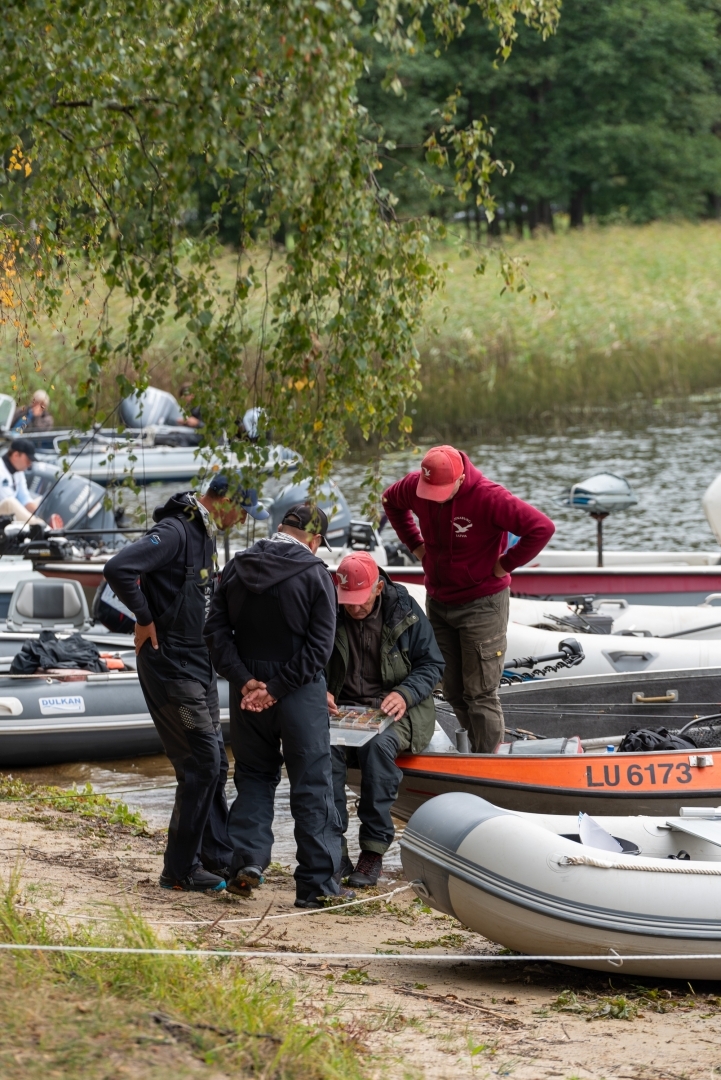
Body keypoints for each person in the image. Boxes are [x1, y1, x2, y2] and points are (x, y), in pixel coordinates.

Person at [103, 476, 268, 892]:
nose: (243, 520)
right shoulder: (176, 531)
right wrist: (144, 618)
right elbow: (119, 569)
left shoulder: (206, 533)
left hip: (199, 663)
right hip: (170, 665)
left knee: (216, 761)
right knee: (201, 762)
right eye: (243, 511)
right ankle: (178, 871)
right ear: (225, 502)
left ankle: (218, 857)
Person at [204, 503, 349, 909]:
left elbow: (214, 630)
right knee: (311, 784)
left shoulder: (236, 566)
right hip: (298, 690)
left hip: (247, 689)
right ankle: (316, 886)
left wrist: (245, 680)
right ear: (315, 540)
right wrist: (278, 687)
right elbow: (320, 647)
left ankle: (245, 862)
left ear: (282, 528)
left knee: (253, 775)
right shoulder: (315, 574)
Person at [382, 445, 555, 753]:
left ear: (461, 480)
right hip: (439, 599)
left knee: (480, 693)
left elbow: (541, 528)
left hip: (482, 602)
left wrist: (504, 565)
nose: (434, 497)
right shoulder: (415, 486)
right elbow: (389, 501)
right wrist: (417, 546)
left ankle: (488, 763)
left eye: (442, 491)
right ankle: (474, 752)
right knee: (452, 689)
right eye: (429, 490)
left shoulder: (490, 497)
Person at [326, 551, 445, 887]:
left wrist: (405, 693)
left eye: (360, 601)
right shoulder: (330, 609)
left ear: (378, 588)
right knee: (323, 749)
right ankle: (333, 850)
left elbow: (433, 665)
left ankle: (373, 851)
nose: (354, 608)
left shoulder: (405, 610)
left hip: (398, 708)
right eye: (347, 601)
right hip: (344, 708)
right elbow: (311, 659)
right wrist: (319, 688)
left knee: (377, 748)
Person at [0, 437, 44, 523]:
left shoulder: (19, 471)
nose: (29, 464)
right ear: (16, 455)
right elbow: (7, 501)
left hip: (10, 514)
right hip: (3, 514)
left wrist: (41, 513)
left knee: (43, 500)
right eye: (28, 460)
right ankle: (42, 526)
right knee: (10, 503)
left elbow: (24, 498)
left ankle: (47, 522)